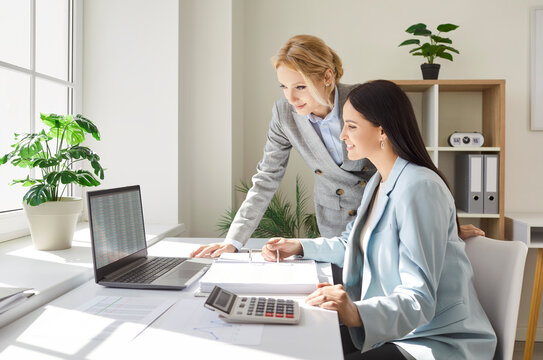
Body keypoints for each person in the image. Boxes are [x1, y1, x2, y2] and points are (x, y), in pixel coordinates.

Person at [261, 80, 497, 359]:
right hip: (397, 330)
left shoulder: (419, 187)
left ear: (382, 130)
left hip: (437, 340)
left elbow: (419, 299)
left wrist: (354, 310)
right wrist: (299, 246)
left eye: (351, 126)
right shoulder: (379, 181)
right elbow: (353, 242)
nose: (342, 136)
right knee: (297, 341)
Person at [191, 35, 483, 259]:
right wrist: (233, 241)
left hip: (382, 218)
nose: (291, 98)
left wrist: (438, 225)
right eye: (283, 87)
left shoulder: (362, 102)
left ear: (327, 77)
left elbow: (409, 160)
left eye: (300, 86)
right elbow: (266, 178)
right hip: (334, 226)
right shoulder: (284, 115)